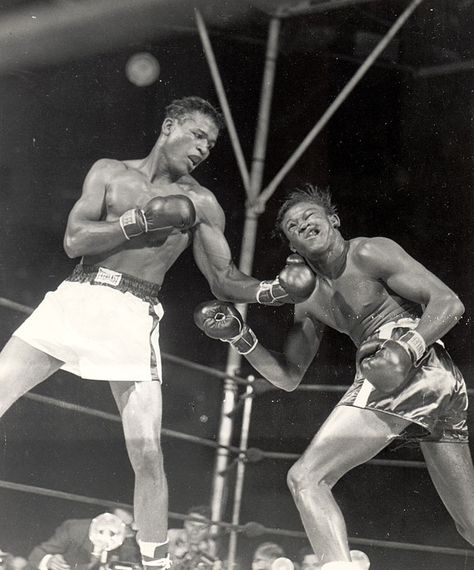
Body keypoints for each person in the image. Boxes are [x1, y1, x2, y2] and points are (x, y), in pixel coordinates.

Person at [0, 97, 316, 570]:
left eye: (212, 144)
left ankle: (155, 564)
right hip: (77, 296)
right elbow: (74, 241)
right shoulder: (109, 171)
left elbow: (224, 279)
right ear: (169, 127)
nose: (205, 149)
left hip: (134, 310)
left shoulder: (202, 204)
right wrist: (141, 220)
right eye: (198, 136)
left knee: (148, 452)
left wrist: (273, 292)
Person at [194, 184, 474, 570]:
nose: (303, 223)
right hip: (433, 382)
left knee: (307, 478)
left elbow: (449, 303)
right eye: (293, 225)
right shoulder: (307, 299)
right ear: (293, 246)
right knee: (470, 523)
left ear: (334, 220)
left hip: (413, 362)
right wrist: (240, 336)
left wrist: (406, 347)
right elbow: (288, 376)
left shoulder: (368, 251)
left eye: (311, 215)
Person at [28, 508, 140, 570]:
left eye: (128, 526)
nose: (122, 528)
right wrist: (48, 561)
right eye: (114, 521)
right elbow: (37, 554)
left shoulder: (130, 540)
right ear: (103, 517)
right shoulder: (74, 529)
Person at [168, 505, 220, 570]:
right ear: (185, 523)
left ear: (208, 529)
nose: (195, 531)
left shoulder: (210, 546)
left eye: (201, 528)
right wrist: (176, 558)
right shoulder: (171, 536)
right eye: (192, 525)